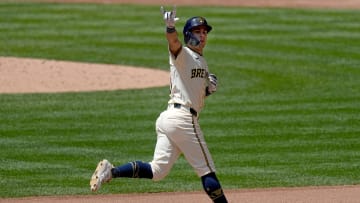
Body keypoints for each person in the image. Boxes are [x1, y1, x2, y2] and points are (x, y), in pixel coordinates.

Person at [90, 6, 228, 203]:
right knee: (207, 171)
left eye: (205, 31)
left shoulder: (201, 61)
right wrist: (170, 27)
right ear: (189, 34)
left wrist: (208, 90)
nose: (203, 35)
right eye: (198, 31)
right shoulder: (184, 55)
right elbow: (173, 43)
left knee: (157, 171)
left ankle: (110, 172)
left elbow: (191, 92)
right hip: (183, 119)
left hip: (169, 119)